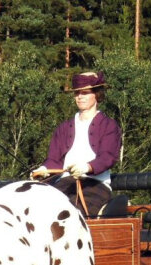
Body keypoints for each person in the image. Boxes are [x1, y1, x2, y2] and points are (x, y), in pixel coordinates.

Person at [32, 71, 122, 216]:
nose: (79, 97)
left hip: (95, 185)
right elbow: (54, 160)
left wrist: (87, 167)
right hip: (63, 185)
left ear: (97, 94)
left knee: (71, 215)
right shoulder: (63, 128)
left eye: (85, 92)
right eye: (77, 93)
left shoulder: (109, 126)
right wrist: (43, 169)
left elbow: (108, 157)